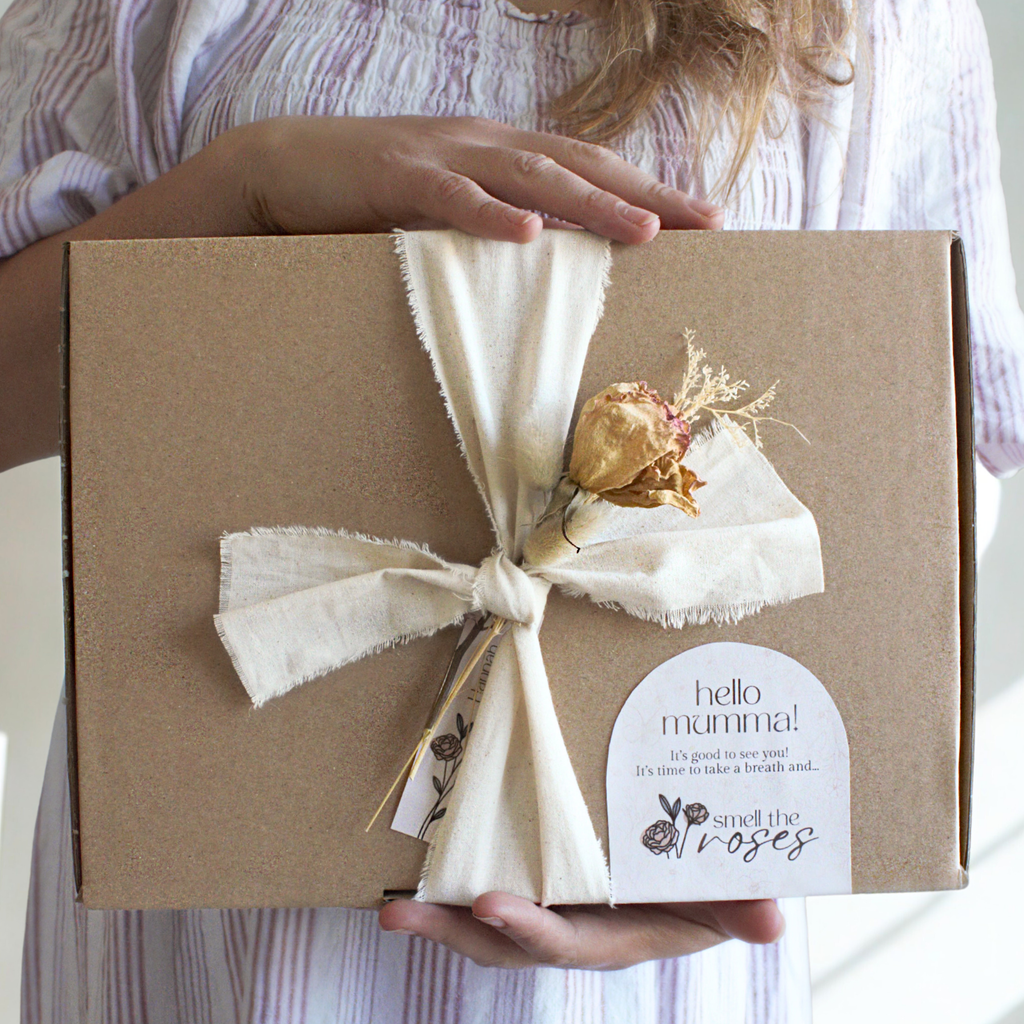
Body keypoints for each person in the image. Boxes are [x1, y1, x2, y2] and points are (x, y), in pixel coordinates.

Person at [1, 0, 1022, 1020]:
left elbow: (925, 456)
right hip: (208, 899)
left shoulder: (885, 19)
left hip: (650, 908)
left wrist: (753, 844)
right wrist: (242, 186)